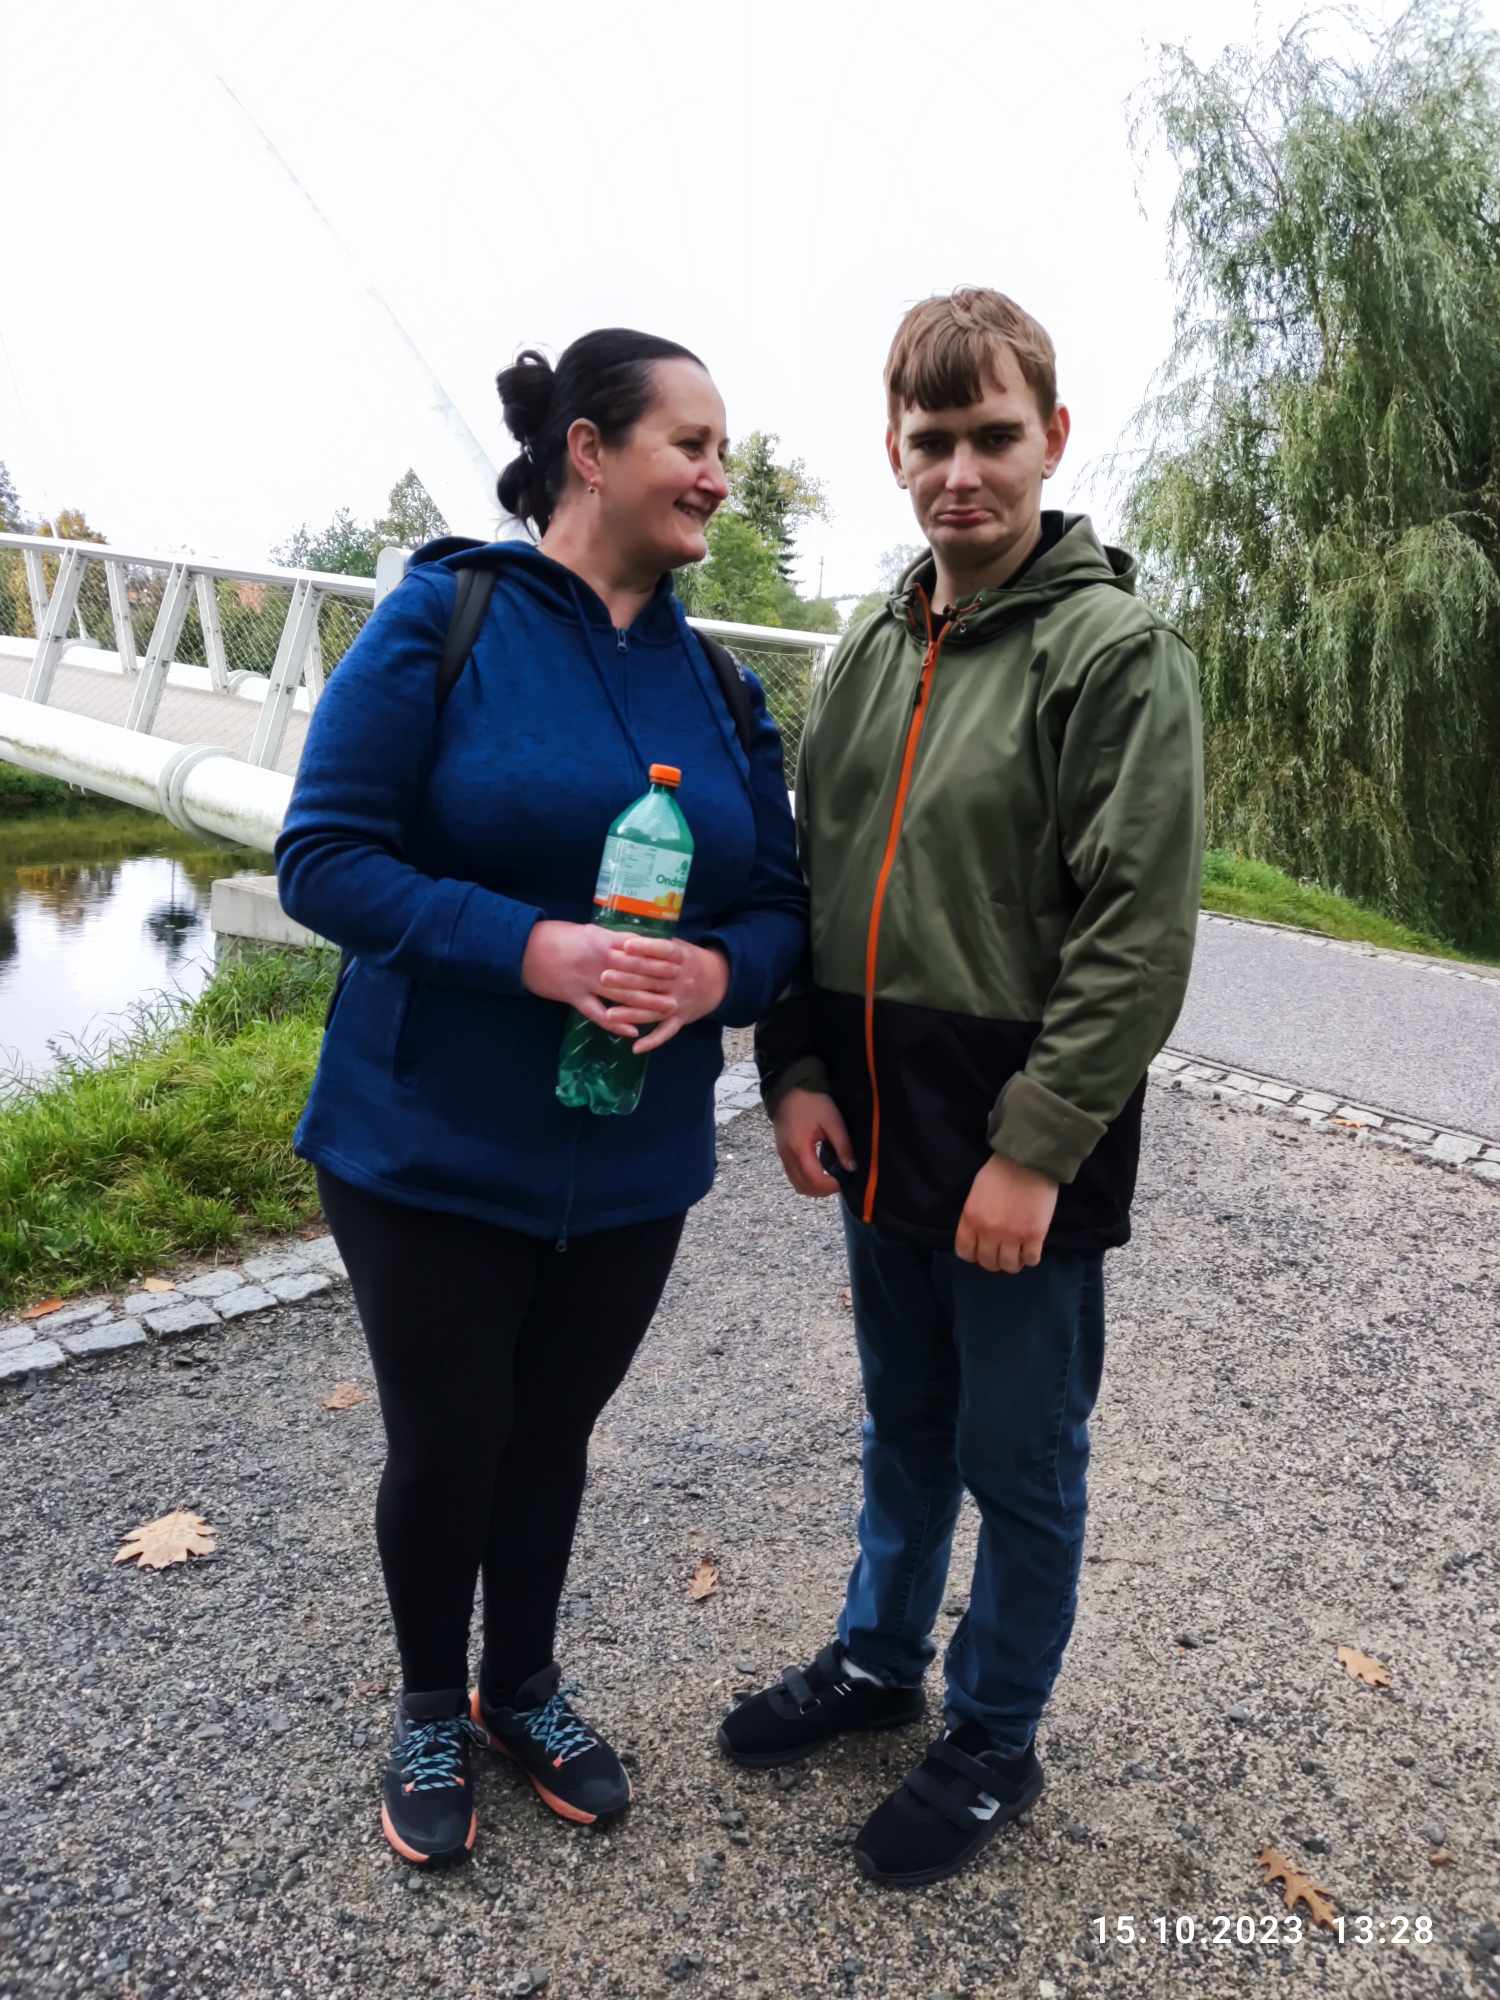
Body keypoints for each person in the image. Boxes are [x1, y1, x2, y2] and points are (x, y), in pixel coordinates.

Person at [275, 329, 806, 1866]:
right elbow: (324, 859)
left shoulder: (717, 684)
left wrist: (717, 976)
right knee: (450, 1438)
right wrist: (530, 948)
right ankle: (428, 1704)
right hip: (426, 1141)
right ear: (589, 449)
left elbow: (781, 908)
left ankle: (521, 1686)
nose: (718, 475)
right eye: (691, 444)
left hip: (631, 1157)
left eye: (724, 450)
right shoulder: (446, 619)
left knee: (553, 1430)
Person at [719, 288, 1203, 1888]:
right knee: (906, 1424)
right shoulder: (871, 644)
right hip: (873, 1121)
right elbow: (806, 876)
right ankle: (880, 1660)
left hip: (1013, 1144)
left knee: (1022, 1454)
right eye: (932, 441)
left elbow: (1137, 934)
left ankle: (994, 1735)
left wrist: (1038, 1150)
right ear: (894, 451)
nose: (961, 473)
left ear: (1051, 439)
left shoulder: (1113, 655)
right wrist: (793, 1065)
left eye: (993, 436)